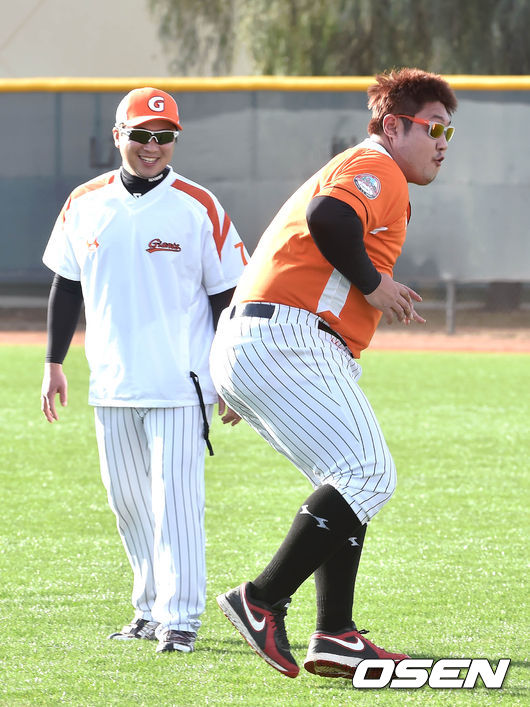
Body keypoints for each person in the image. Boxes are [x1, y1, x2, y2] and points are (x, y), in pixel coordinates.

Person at [210, 68, 457, 679]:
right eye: (433, 127)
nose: (443, 142)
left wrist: (247, 368)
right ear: (392, 126)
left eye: (449, 131)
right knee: (367, 473)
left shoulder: (373, 168)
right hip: (288, 337)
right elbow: (327, 217)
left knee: (348, 481)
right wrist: (374, 285)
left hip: (267, 337)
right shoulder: (379, 166)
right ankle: (261, 599)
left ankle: (336, 635)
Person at [40, 87, 247, 654]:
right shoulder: (85, 202)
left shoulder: (198, 205)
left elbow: (227, 298)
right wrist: (54, 361)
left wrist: (231, 378)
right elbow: (66, 285)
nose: (152, 146)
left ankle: (181, 619)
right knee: (128, 505)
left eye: (164, 136)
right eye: (141, 135)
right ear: (118, 136)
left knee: (175, 504)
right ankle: (149, 609)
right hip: (111, 382)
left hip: (182, 384)